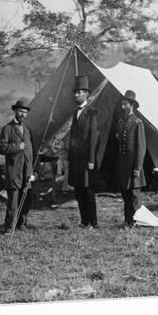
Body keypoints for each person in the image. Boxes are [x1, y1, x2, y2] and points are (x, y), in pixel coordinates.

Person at [67, 75, 99, 229]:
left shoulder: (92, 112)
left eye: (78, 92)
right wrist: (69, 158)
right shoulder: (75, 113)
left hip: (87, 160)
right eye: (75, 92)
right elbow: (73, 137)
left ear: (86, 93)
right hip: (76, 160)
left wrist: (91, 160)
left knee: (88, 191)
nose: (76, 95)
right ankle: (84, 220)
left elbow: (93, 137)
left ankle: (93, 221)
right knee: (78, 190)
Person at [0, 99, 35, 232]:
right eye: (20, 111)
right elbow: (2, 148)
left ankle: (22, 224)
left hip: (26, 172)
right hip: (14, 172)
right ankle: (9, 227)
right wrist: (17, 147)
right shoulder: (7, 129)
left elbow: (30, 152)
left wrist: (31, 171)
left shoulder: (28, 130)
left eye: (25, 112)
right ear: (15, 111)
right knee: (13, 202)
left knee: (26, 201)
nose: (22, 114)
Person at [112, 90, 146, 228]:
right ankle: (127, 221)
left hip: (133, 166)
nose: (122, 107)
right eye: (122, 104)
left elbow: (141, 147)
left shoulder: (138, 123)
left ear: (132, 105)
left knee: (134, 196)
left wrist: (138, 167)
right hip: (123, 165)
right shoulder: (120, 122)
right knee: (125, 195)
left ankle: (135, 221)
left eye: (125, 104)